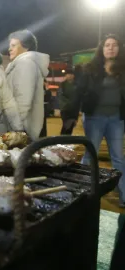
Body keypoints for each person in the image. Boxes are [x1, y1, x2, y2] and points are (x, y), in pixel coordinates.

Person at [71, 34, 125, 207]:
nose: (110, 47)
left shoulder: (123, 69)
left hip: (116, 119)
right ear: (102, 49)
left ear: (119, 48)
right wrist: (71, 115)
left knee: (118, 158)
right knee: (89, 155)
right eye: (107, 45)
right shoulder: (90, 69)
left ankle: (124, 195)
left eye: (114, 45)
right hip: (94, 118)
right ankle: (79, 191)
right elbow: (78, 92)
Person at [5, 29, 50, 140]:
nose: (9, 49)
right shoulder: (19, 64)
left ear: (26, 46)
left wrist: (17, 128)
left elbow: (23, 100)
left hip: (22, 128)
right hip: (20, 125)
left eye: (13, 45)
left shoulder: (26, 63)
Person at [58, 67, 78, 135]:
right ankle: (63, 140)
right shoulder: (62, 85)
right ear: (66, 75)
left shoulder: (76, 85)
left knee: (71, 125)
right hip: (65, 109)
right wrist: (68, 104)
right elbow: (60, 96)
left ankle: (66, 140)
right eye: (68, 74)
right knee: (66, 125)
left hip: (74, 110)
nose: (70, 75)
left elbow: (78, 96)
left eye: (71, 74)